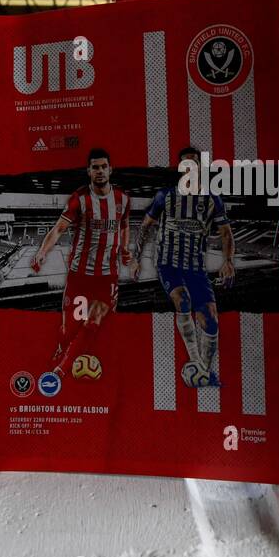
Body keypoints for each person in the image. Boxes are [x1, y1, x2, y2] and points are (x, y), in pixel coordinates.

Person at [134, 146, 234, 389]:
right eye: (185, 164)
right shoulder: (164, 196)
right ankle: (195, 360)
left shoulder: (211, 199)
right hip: (168, 263)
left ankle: (205, 372)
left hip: (196, 267)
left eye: (194, 163)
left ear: (199, 168)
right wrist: (137, 257)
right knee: (183, 300)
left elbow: (225, 232)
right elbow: (145, 227)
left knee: (210, 319)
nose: (189, 167)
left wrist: (228, 261)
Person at [31, 147, 131, 382]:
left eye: (103, 166)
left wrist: (125, 249)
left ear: (110, 169)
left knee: (94, 320)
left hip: (107, 276)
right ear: (88, 171)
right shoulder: (80, 199)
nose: (99, 171)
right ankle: (65, 352)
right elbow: (58, 229)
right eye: (95, 167)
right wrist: (42, 253)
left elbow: (124, 226)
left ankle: (61, 370)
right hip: (79, 276)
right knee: (69, 331)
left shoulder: (123, 199)